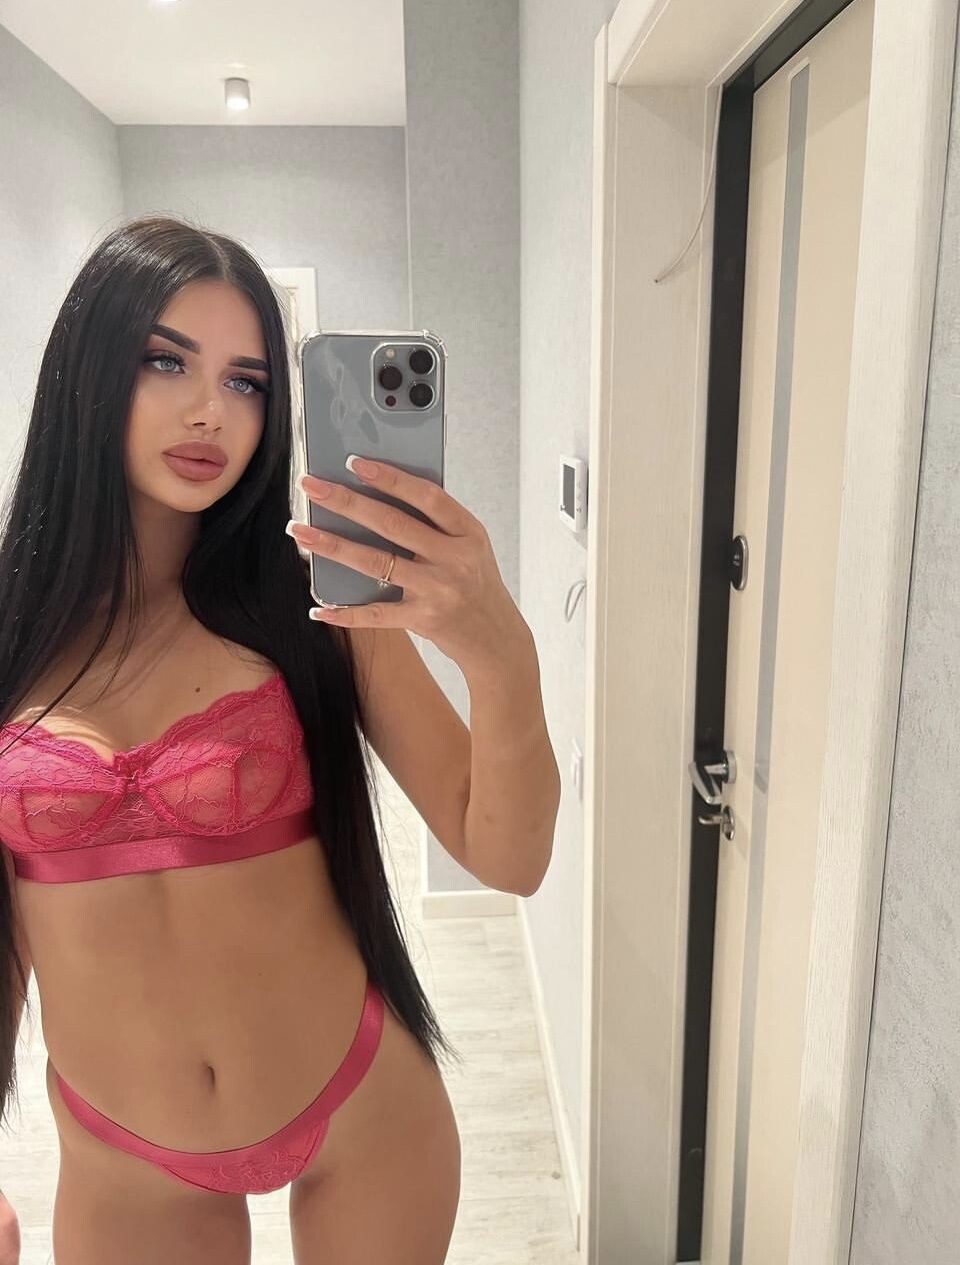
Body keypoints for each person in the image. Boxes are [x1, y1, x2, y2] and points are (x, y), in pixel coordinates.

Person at [0, 216, 560, 1264]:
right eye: (166, 360)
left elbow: (509, 853)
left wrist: (502, 654)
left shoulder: (314, 605)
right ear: (86, 367)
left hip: (360, 1106)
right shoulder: (11, 636)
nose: (210, 410)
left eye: (247, 380)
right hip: (123, 1158)